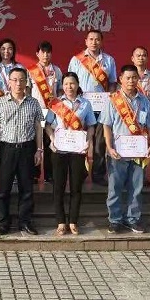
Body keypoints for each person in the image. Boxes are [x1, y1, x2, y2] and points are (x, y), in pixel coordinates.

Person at [0, 67, 44, 236]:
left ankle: (25, 222)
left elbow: (38, 127)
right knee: (3, 189)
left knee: (26, 189)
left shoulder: (33, 103)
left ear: (26, 82)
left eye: (21, 80)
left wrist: (39, 149)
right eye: (15, 80)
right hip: (7, 149)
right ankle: (4, 223)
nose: (18, 83)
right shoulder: (0, 102)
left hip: (27, 148)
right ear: (9, 82)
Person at [103, 64, 150, 234]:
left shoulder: (144, 101)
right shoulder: (113, 100)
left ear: (138, 79)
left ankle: (133, 219)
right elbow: (107, 126)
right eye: (128, 78)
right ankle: (115, 220)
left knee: (136, 188)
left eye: (134, 77)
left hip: (138, 152)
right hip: (118, 152)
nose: (131, 81)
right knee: (115, 188)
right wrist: (109, 147)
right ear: (121, 79)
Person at [44, 72, 96, 236]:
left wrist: (89, 140)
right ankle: (61, 221)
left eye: (72, 83)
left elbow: (91, 125)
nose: (69, 87)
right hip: (59, 149)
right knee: (58, 186)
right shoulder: (56, 103)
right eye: (66, 84)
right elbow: (48, 125)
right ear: (62, 86)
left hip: (77, 149)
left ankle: (73, 221)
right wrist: (52, 139)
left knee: (76, 186)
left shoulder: (85, 104)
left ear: (77, 84)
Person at [67, 29, 117, 186]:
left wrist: (111, 100)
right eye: (91, 39)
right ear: (86, 41)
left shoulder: (109, 60)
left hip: (103, 107)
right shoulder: (76, 60)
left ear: (101, 42)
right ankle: (79, 173)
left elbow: (113, 83)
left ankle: (98, 174)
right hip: (82, 106)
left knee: (100, 142)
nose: (94, 42)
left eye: (97, 39)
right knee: (80, 139)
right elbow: (70, 82)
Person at [29, 41, 63, 185]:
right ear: (37, 54)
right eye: (42, 52)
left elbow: (60, 91)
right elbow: (27, 92)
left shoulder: (57, 70)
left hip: (51, 111)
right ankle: (34, 174)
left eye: (48, 52)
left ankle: (50, 175)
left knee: (50, 142)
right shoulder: (31, 71)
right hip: (35, 111)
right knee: (34, 143)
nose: (45, 55)